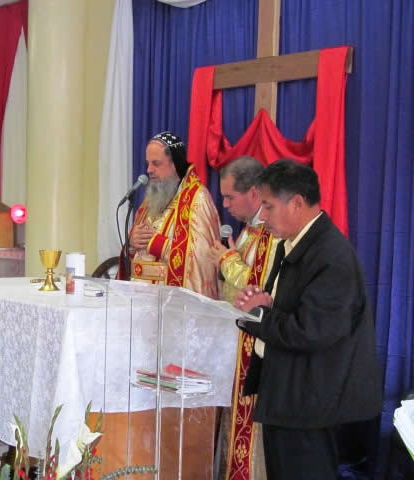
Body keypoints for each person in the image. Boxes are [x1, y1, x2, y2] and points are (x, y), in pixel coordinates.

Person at [234, 159, 382, 480]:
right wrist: (265, 303)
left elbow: (311, 331)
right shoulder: (295, 244)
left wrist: (257, 314)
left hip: (311, 408)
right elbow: (291, 309)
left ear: (297, 204)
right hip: (290, 398)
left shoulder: (331, 256)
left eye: (269, 206)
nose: (262, 216)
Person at [209, 156, 279, 480]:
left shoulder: (270, 232)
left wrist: (227, 261)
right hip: (236, 341)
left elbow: (258, 286)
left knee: (251, 434)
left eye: (229, 197)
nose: (225, 205)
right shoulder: (250, 230)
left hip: (256, 344)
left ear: (253, 192)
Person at [120, 131, 221, 298]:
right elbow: (135, 257)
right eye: (148, 164)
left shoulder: (198, 199)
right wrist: (131, 243)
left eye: (156, 163)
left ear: (175, 163)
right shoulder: (151, 200)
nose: (149, 170)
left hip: (171, 303)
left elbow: (202, 262)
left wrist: (157, 243)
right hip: (139, 300)